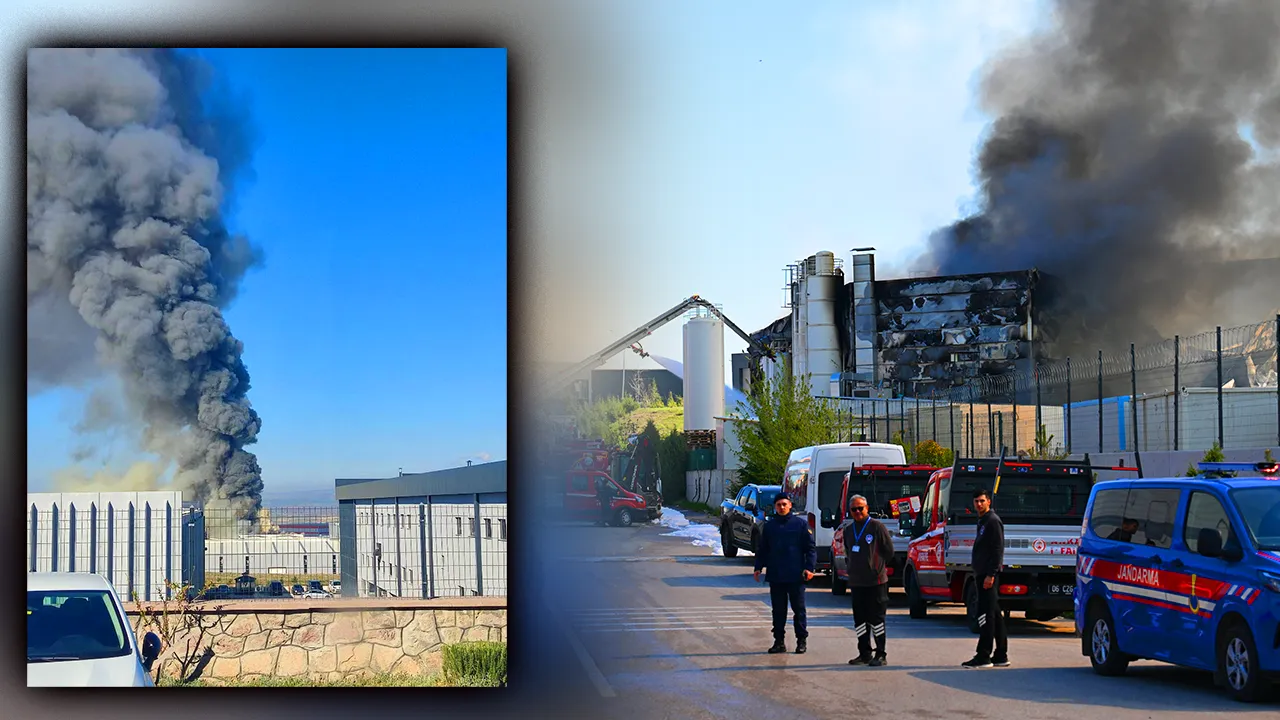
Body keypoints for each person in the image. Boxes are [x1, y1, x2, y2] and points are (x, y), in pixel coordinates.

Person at [753, 492, 816, 654]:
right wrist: (758, 567)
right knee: (778, 611)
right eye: (778, 505)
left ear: (790, 505)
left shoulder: (800, 525)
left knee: (799, 610)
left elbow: (810, 549)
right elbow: (763, 549)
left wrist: (809, 568)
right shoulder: (769, 526)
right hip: (776, 575)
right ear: (775, 507)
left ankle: (801, 641)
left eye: (784, 504)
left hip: (796, 575)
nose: (781, 507)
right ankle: (779, 642)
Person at [843, 494, 895, 667]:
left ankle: (880, 654)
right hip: (857, 582)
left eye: (860, 508)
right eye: (854, 509)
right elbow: (848, 552)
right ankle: (864, 653)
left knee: (877, 619)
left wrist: (876, 566)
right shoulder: (849, 530)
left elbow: (889, 551)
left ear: (867, 508)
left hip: (876, 582)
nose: (857, 512)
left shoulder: (877, 527)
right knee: (860, 620)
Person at [963, 487, 1009, 669]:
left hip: (988, 576)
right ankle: (1001, 655)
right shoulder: (982, 521)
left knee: (985, 616)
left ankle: (983, 655)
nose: (979, 504)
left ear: (989, 501)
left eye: (982, 501)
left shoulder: (992, 521)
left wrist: (991, 574)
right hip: (981, 573)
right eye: (976, 501)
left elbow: (997, 550)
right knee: (995, 616)